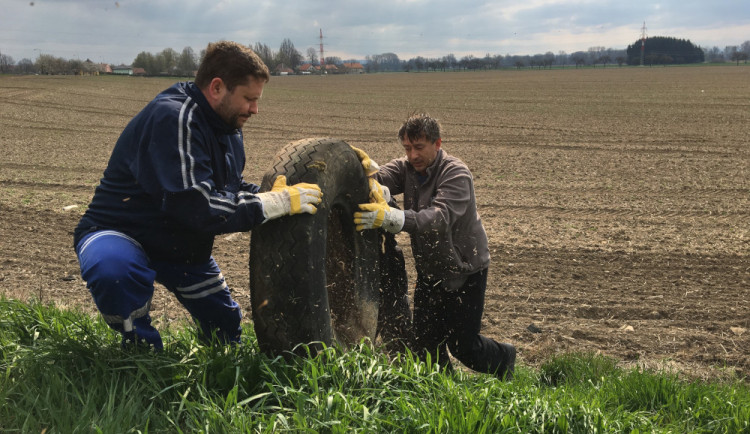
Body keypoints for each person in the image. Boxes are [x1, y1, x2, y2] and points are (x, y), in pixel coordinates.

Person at [73, 41, 322, 351]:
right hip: (120, 231)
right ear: (217, 87)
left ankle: (218, 361)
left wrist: (270, 195)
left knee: (226, 329)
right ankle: (140, 353)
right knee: (115, 273)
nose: (255, 109)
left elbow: (226, 189)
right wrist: (273, 203)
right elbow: (198, 206)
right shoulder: (175, 118)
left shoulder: (226, 126)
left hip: (179, 244)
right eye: (248, 99)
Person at [353, 113, 516, 380]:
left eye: (419, 147)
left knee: (464, 347)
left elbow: (440, 217)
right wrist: (366, 176)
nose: (412, 155)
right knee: (427, 343)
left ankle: (504, 356)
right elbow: (381, 178)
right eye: (407, 148)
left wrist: (396, 218)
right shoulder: (406, 167)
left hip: (465, 269)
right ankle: (444, 388)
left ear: (437, 143)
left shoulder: (456, 173)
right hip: (431, 271)